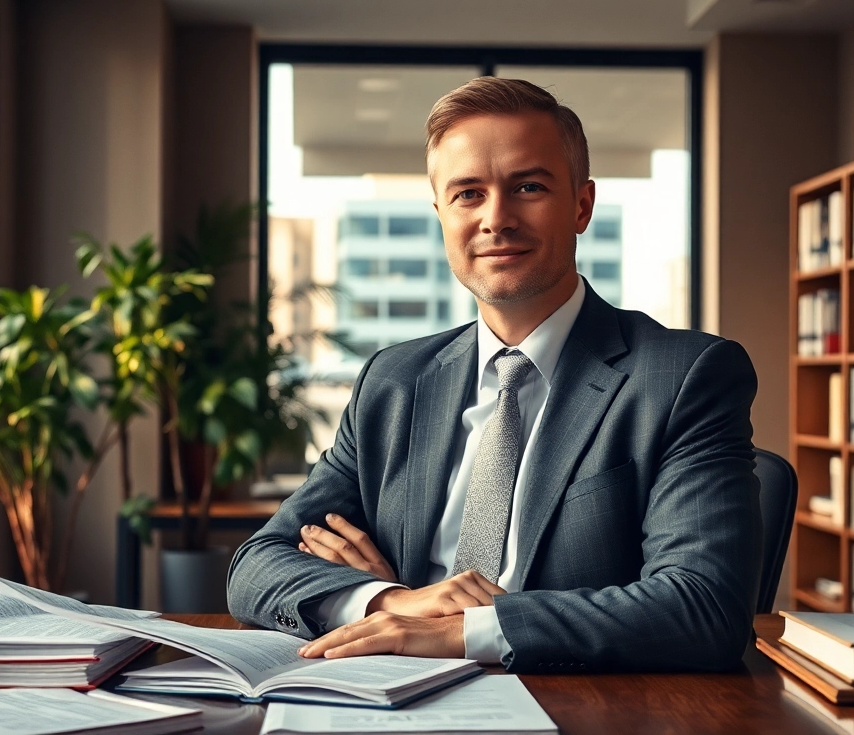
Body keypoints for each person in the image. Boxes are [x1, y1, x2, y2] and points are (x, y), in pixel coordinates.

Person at [227, 77, 761, 673]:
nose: (496, 219)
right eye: (468, 194)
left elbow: (702, 607)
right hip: (384, 689)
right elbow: (258, 563)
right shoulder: (393, 381)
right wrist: (393, 602)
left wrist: (466, 631)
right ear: (441, 216)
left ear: (581, 205)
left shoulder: (683, 376)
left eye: (528, 187)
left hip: (573, 703)